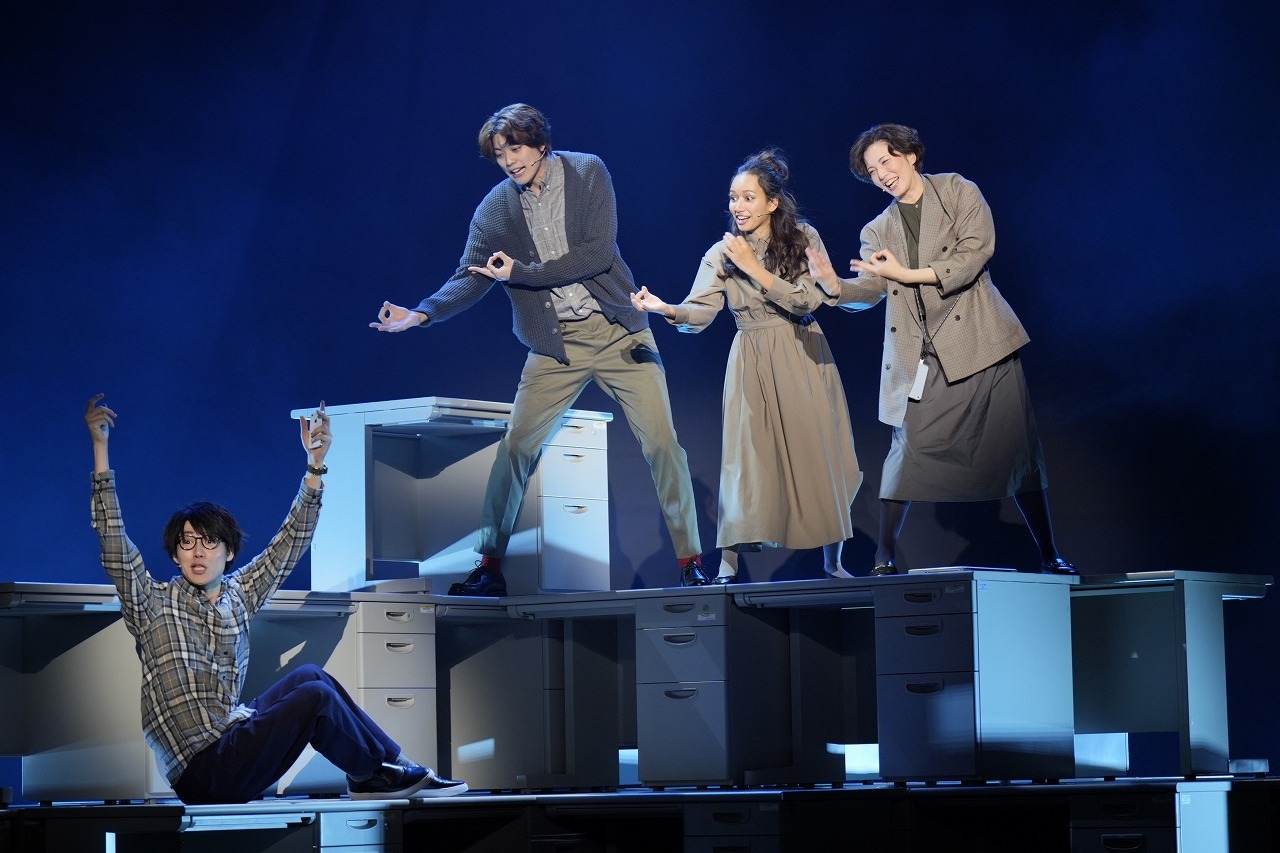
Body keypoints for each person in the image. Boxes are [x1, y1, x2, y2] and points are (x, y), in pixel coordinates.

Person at [371, 103, 707, 595]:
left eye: (517, 148)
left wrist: (522, 275)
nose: (509, 160)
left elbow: (598, 252)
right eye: (500, 154)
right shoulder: (496, 207)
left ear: (540, 143)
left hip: (619, 333)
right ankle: (489, 567)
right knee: (516, 448)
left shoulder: (588, 171)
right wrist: (422, 313)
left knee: (662, 445)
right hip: (553, 347)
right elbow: (472, 274)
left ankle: (690, 560)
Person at [83, 394, 468, 804]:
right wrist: (100, 448)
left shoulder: (238, 594)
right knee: (313, 697)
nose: (197, 551)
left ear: (229, 552)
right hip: (203, 770)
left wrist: (314, 466)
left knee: (311, 678)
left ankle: (399, 769)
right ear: (175, 555)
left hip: (233, 744)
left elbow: (289, 544)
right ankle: (373, 774)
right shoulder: (152, 603)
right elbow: (113, 542)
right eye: (187, 543)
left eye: (209, 542)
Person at [807, 123, 1075, 576]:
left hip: (982, 343)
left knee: (1017, 451)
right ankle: (883, 559)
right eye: (873, 171)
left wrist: (910, 275)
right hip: (924, 356)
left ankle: (1050, 555)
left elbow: (975, 253)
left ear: (910, 154)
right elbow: (873, 286)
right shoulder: (878, 229)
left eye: (887, 161)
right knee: (907, 448)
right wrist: (835, 286)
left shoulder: (956, 191)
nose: (883, 174)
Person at [631, 149, 863, 583]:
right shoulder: (722, 252)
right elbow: (699, 313)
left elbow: (808, 299)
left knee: (820, 449)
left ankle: (832, 562)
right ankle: (729, 564)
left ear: (772, 202)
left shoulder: (802, 237)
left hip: (800, 349)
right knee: (745, 458)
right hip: (750, 356)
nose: (738, 207)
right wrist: (667, 309)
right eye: (733, 198)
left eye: (748, 198)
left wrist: (755, 268)